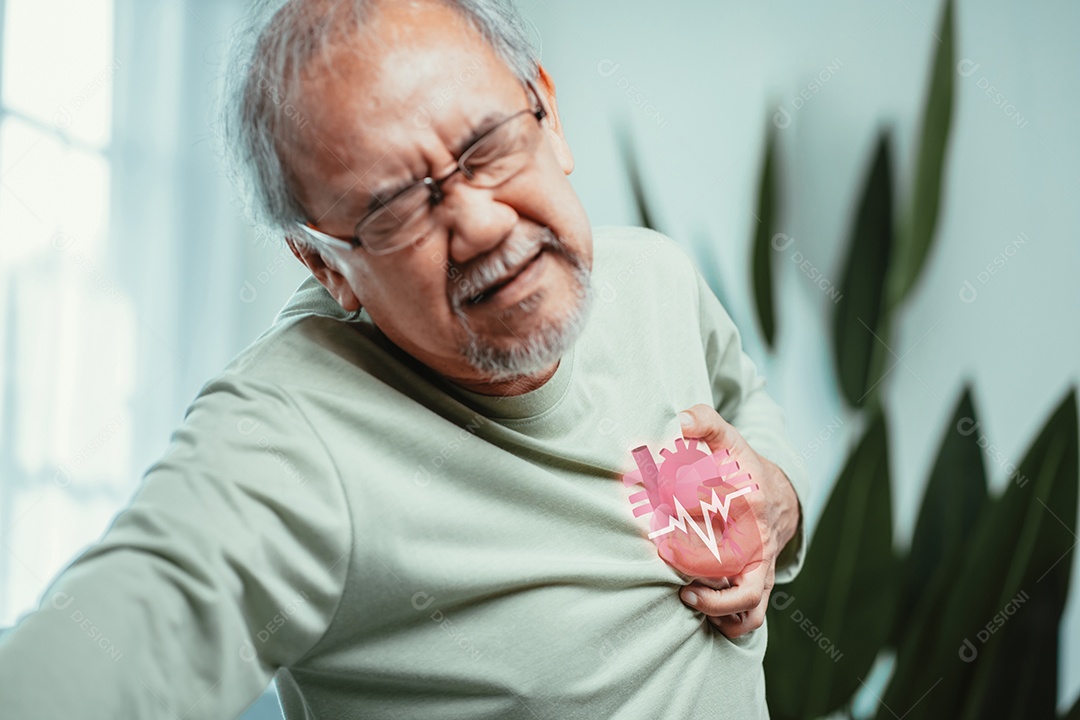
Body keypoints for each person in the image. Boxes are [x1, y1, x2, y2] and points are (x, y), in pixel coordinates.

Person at [0, 0, 808, 717]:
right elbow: (107, 644)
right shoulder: (292, 435)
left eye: (488, 143)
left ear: (549, 116)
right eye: (393, 208)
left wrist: (779, 499)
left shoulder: (655, 276)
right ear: (323, 266)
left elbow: (748, 402)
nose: (483, 225)